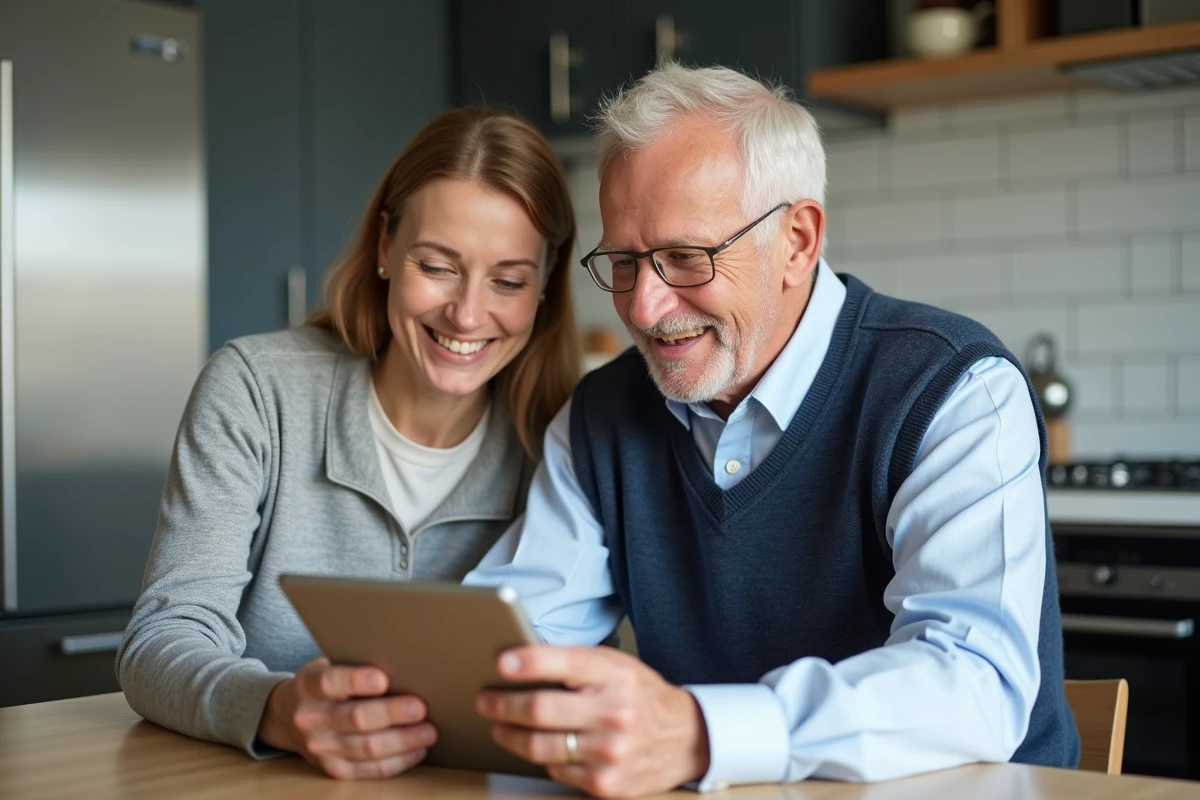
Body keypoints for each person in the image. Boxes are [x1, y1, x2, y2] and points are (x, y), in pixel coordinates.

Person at [464, 64, 1080, 797]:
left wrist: (699, 733)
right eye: (624, 262)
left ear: (797, 240)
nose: (645, 306)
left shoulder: (953, 388)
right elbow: (512, 645)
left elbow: (973, 685)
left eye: (687, 258)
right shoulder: (601, 416)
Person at [117, 106, 581, 781]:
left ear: (545, 284)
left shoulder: (560, 443)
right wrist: (276, 709)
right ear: (386, 246)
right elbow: (159, 642)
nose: (469, 314)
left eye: (508, 281)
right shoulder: (257, 390)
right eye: (439, 266)